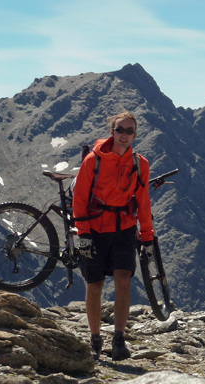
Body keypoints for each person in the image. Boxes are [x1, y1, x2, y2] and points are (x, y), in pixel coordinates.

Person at [72, 111, 153, 361]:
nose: (124, 135)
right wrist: (83, 233)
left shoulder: (140, 164)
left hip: (124, 228)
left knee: (123, 280)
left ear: (135, 135)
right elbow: (80, 198)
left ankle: (119, 339)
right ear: (112, 132)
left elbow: (143, 201)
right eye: (120, 130)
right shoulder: (92, 160)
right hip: (94, 229)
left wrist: (148, 235)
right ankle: (95, 339)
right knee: (94, 284)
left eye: (130, 131)